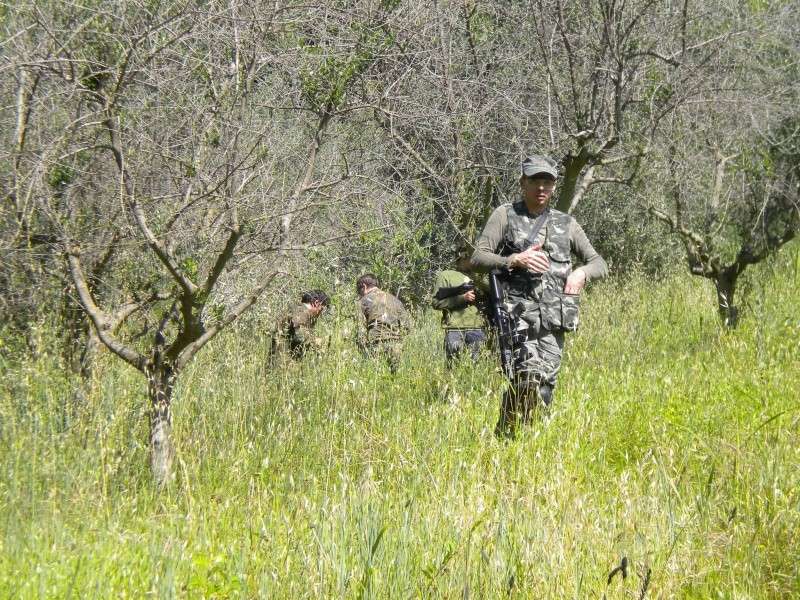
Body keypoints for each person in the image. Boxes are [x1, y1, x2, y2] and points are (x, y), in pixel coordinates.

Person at [471, 154, 608, 436]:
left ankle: (529, 438)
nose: (541, 187)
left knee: (545, 386)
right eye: (535, 180)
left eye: (547, 181)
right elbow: (478, 257)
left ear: (554, 186)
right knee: (526, 377)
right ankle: (507, 434)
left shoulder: (566, 223)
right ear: (523, 182)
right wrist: (514, 259)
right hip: (517, 316)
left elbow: (599, 263)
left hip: (554, 321)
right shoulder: (505, 215)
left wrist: (581, 273)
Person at [431, 256, 487, 366]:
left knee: (478, 367)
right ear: (460, 258)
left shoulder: (482, 277)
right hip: (454, 329)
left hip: (477, 327)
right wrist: (462, 298)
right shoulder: (446, 275)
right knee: (452, 367)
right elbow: (436, 303)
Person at [356, 273, 411, 373]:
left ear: (364, 286)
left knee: (376, 380)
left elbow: (361, 332)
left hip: (376, 346)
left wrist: (363, 351)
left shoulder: (363, 302)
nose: (360, 295)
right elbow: (407, 327)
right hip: (396, 345)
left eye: (359, 292)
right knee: (395, 379)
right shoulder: (396, 300)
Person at [269, 289, 330, 364]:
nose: (321, 313)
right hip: (283, 363)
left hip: (282, 360)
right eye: (322, 308)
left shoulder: (298, 310)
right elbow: (300, 333)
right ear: (316, 303)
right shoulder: (301, 311)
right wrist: (318, 342)